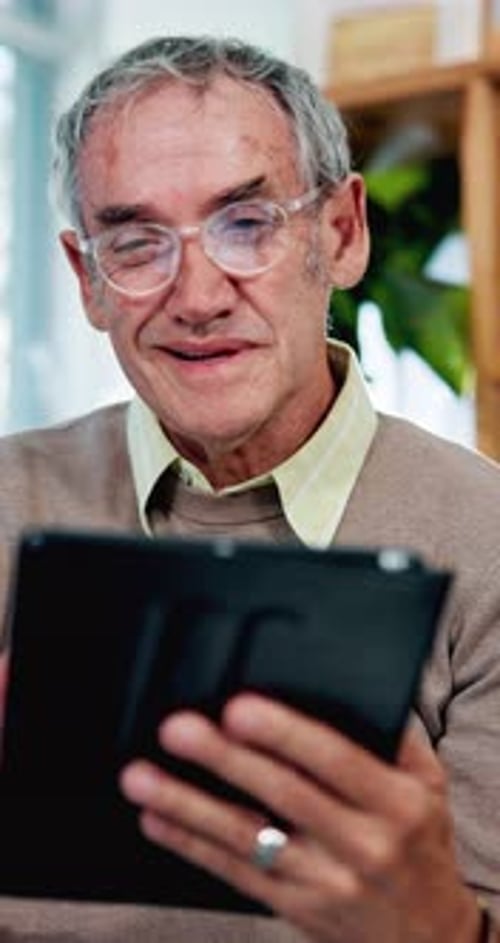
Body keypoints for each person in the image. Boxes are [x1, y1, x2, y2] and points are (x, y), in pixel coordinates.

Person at [0, 33, 499, 943]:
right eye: (138, 241)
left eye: (246, 223)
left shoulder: (490, 544)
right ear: (89, 281)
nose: (196, 295)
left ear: (340, 234)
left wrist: (432, 922)